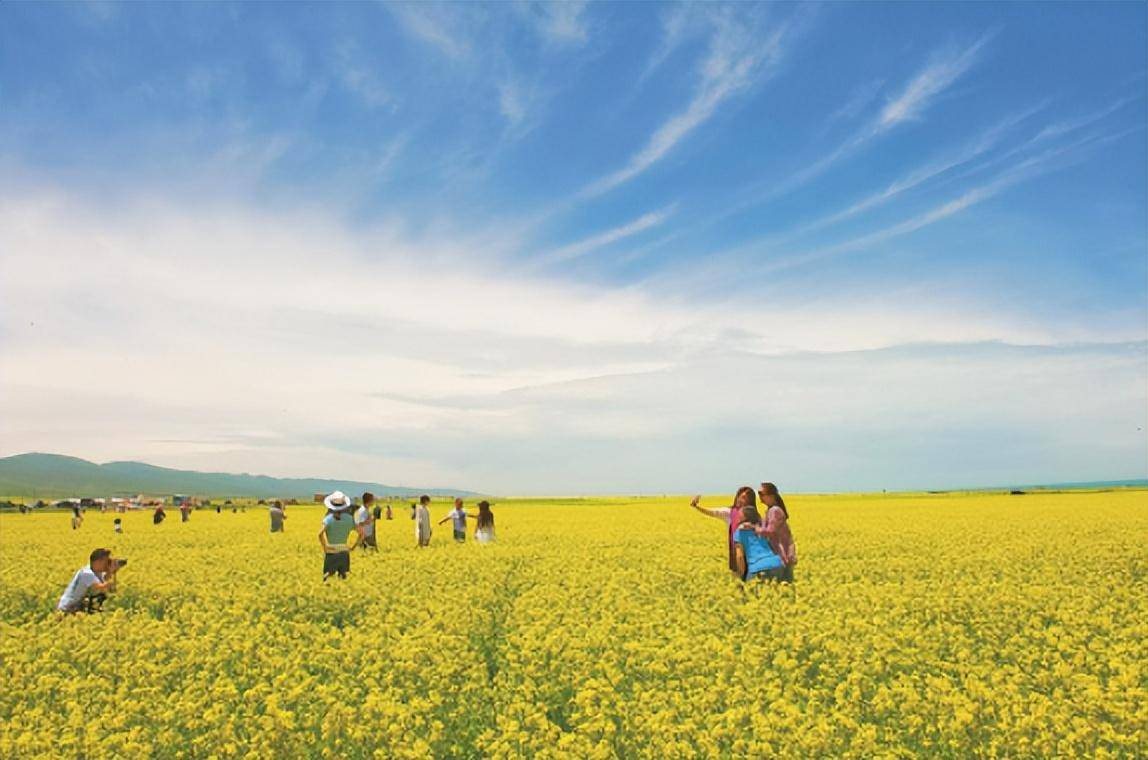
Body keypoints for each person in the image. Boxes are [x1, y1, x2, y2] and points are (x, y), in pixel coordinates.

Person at [690, 486, 755, 574]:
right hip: (737, 551)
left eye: (746, 498)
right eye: (741, 496)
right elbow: (713, 512)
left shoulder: (754, 514)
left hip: (752, 552)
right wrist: (697, 506)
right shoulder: (729, 512)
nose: (742, 500)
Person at [57, 548, 122, 613]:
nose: (107, 564)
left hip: (77, 606)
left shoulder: (97, 572)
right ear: (98, 562)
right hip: (67, 608)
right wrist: (111, 572)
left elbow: (111, 590)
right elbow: (102, 588)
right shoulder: (87, 573)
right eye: (107, 561)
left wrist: (112, 572)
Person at [732, 506, 787, 582]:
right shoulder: (762, 527)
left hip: (757, 568)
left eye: (739, 515)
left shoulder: (739, 532)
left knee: (751, 592)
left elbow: (739, 557)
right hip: (776, 564)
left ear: (744, 517)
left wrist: (740, 578)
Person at [758, 482, 797, 583]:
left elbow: (770, 531)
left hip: (779, 557)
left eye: (761, 493)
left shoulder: (775, 511)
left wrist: (754, 529)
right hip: (781, 556)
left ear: (771, 495)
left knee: (774, 586)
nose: (759, 496)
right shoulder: (771, 510)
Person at [319, 491, 356, 581]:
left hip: (331, 551)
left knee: (327, 579)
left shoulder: (328, 519)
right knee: (343, 578)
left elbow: (320, 534)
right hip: (344, 552)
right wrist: (353, 547)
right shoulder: (350, 518)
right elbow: (362, 534)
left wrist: (325, 547)